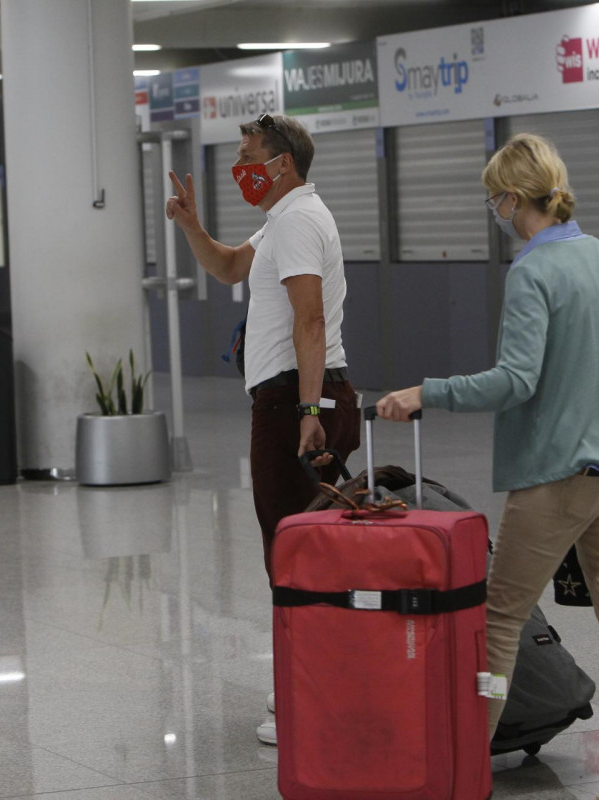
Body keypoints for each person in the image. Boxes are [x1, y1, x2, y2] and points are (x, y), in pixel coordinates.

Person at [377, 133, 599, 800]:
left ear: (514, 198)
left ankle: (465, 771)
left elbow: (514, 381)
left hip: (555, 478)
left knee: (500, 622)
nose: (495, 212)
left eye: (495, 200)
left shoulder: (532, 272)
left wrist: (425, 391)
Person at [165, 113, 360, 745]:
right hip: (294, 400)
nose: (241, 166)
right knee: (307, 548)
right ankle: (323, 682)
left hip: (296, 404)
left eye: (250, 154)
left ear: (283, 163)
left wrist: (308, 413)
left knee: (295, 553)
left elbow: (310, 322)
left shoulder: (300, 221)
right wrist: (191, 225)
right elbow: (227, 268)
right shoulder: (285, 221)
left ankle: (309, 695)